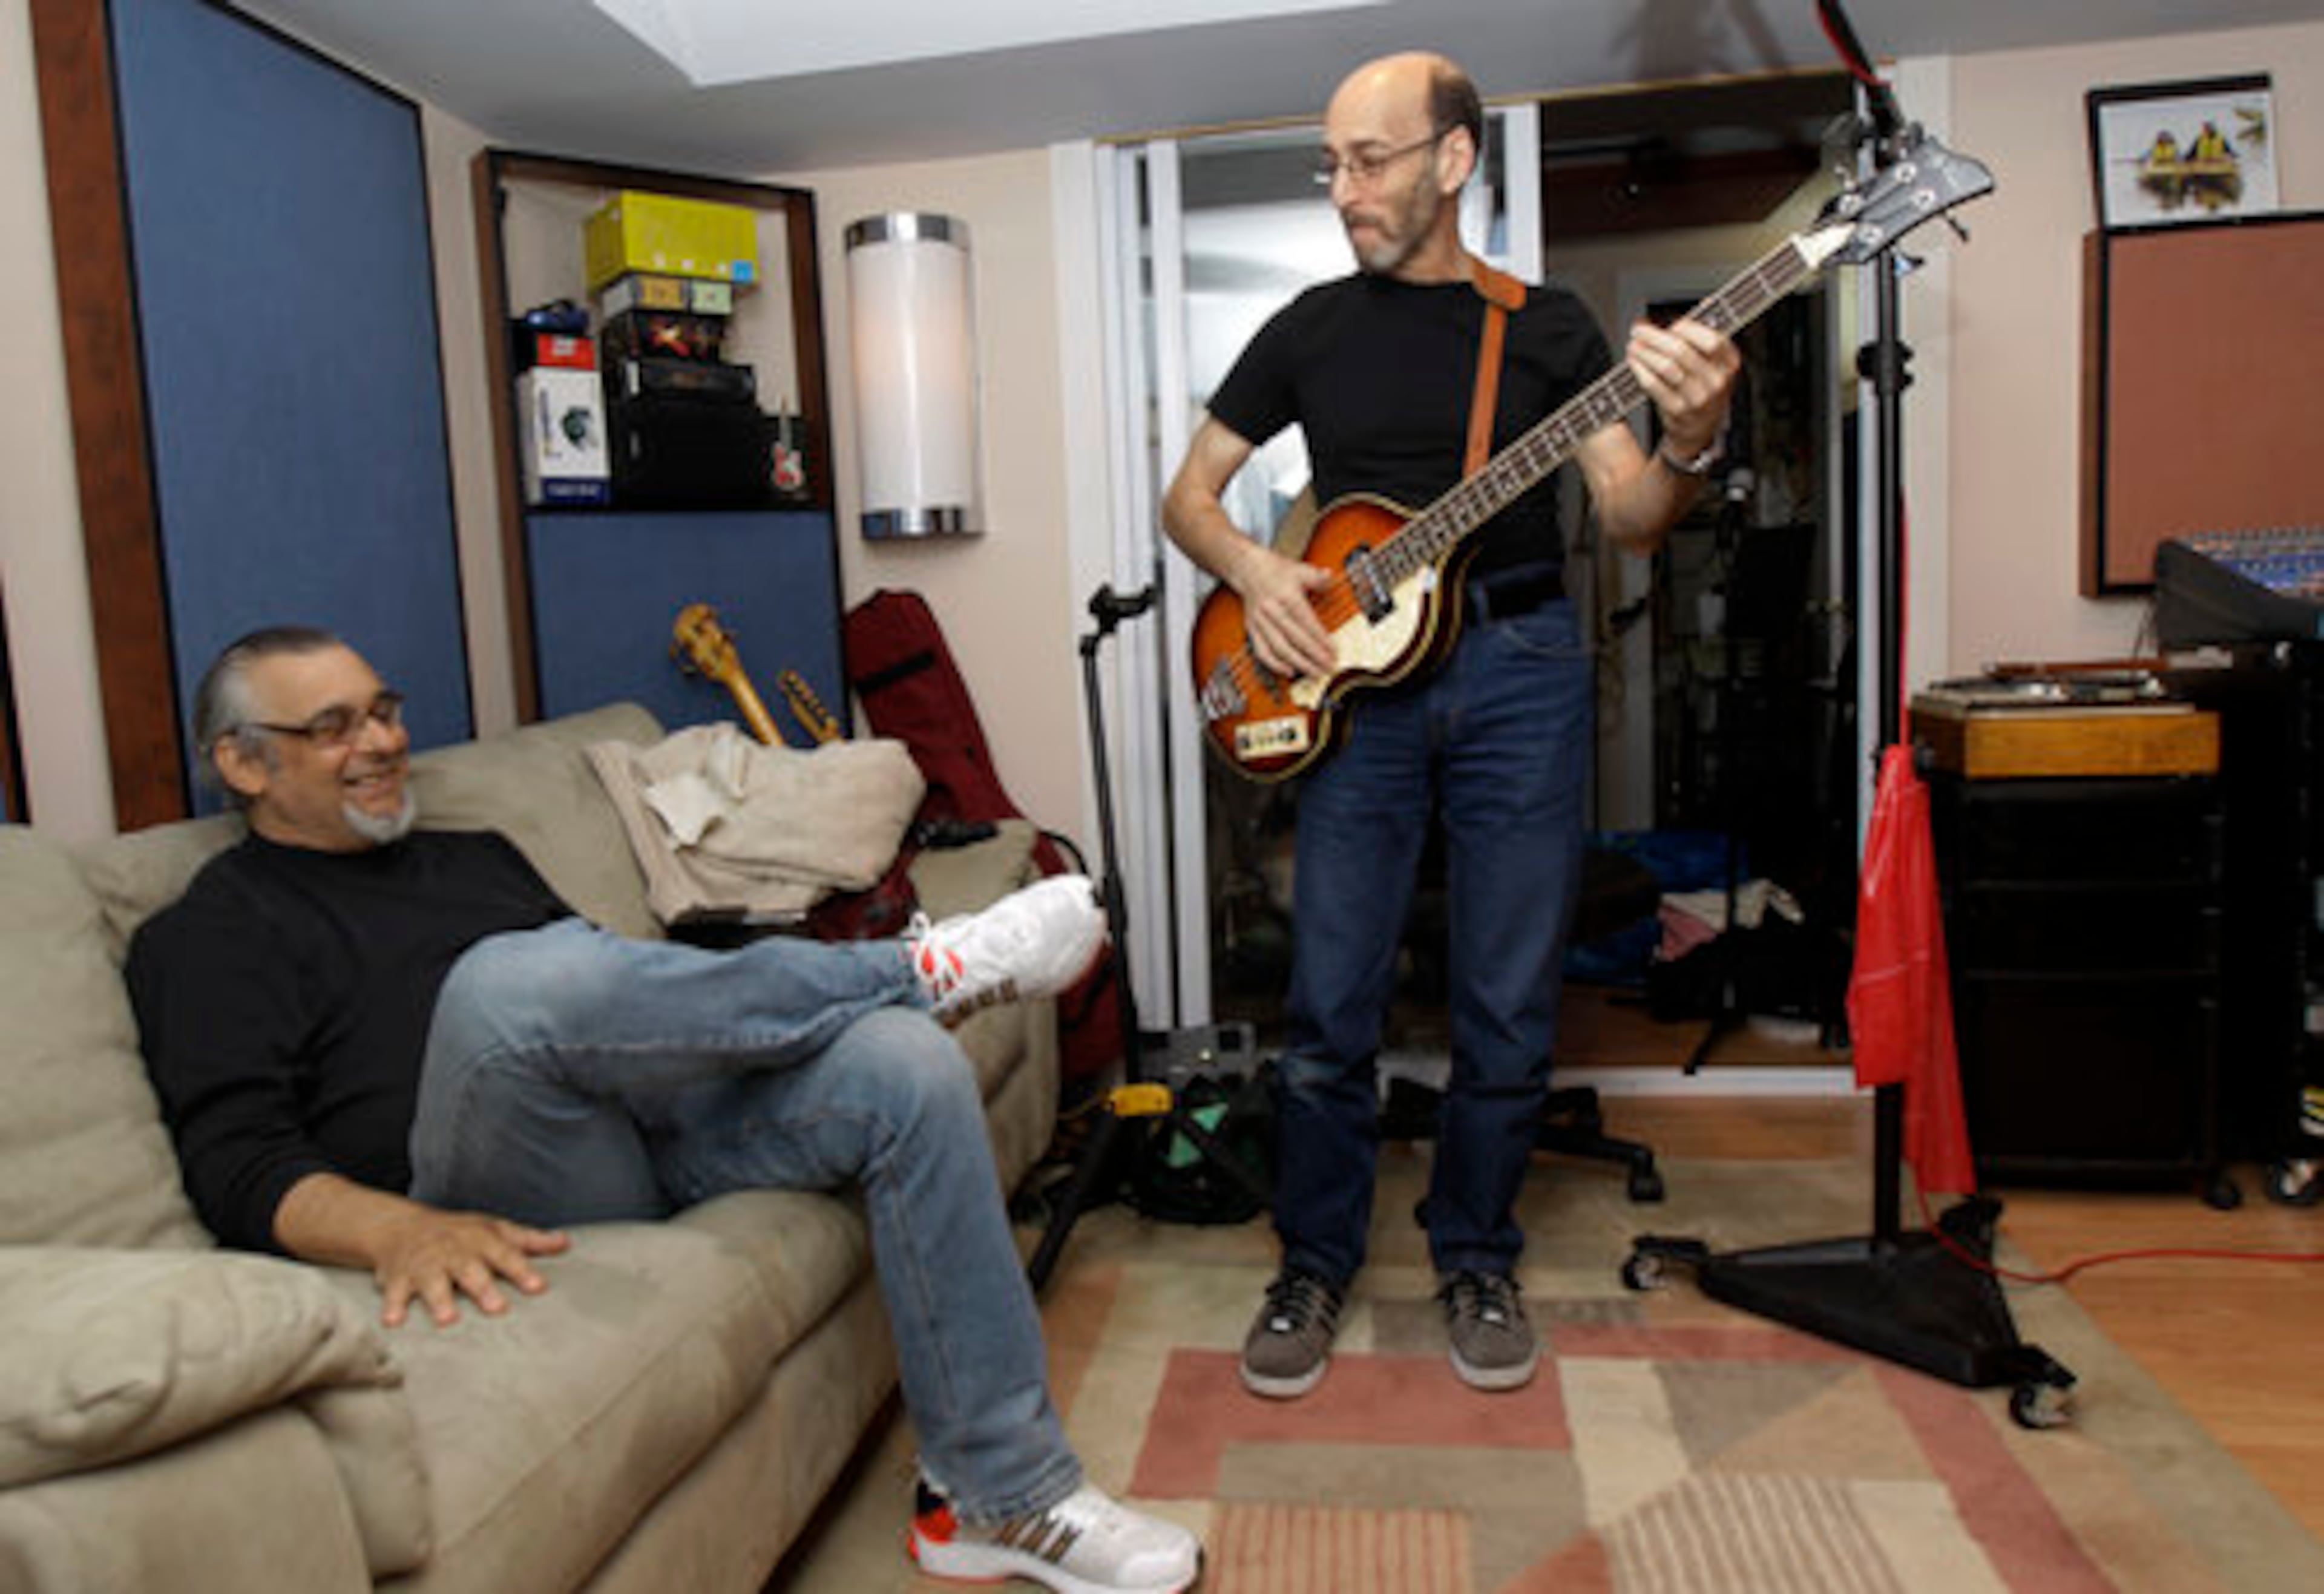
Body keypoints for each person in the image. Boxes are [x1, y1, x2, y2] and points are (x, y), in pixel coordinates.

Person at [125, 625, 1201, 1594]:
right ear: (242, 762)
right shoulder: (210, 932)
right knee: (504, 982)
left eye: (385, 709)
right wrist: (395, 1228)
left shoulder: (471, 854)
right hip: (490, 1179)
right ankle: (923, 968)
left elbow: (617, 995)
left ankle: (997, 1493)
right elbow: (235, 1161)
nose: (379, 740)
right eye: (331, 726)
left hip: (641, 1122)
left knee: (902, 1064)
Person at [1162, 51, 1739, 1400]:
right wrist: (1261, 579)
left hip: (1521, 671)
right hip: (1357, 689)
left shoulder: (1545, 332)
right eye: (1333, 165)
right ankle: (1313, 1261)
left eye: (1369, 160)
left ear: (1455, 160)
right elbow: (1189, 497)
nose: (1344, 190)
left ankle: (1475, 1250)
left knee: (1506, 998)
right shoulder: (1307, 329)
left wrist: (1696, 444)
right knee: (1328, 1002)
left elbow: (1634, 519)